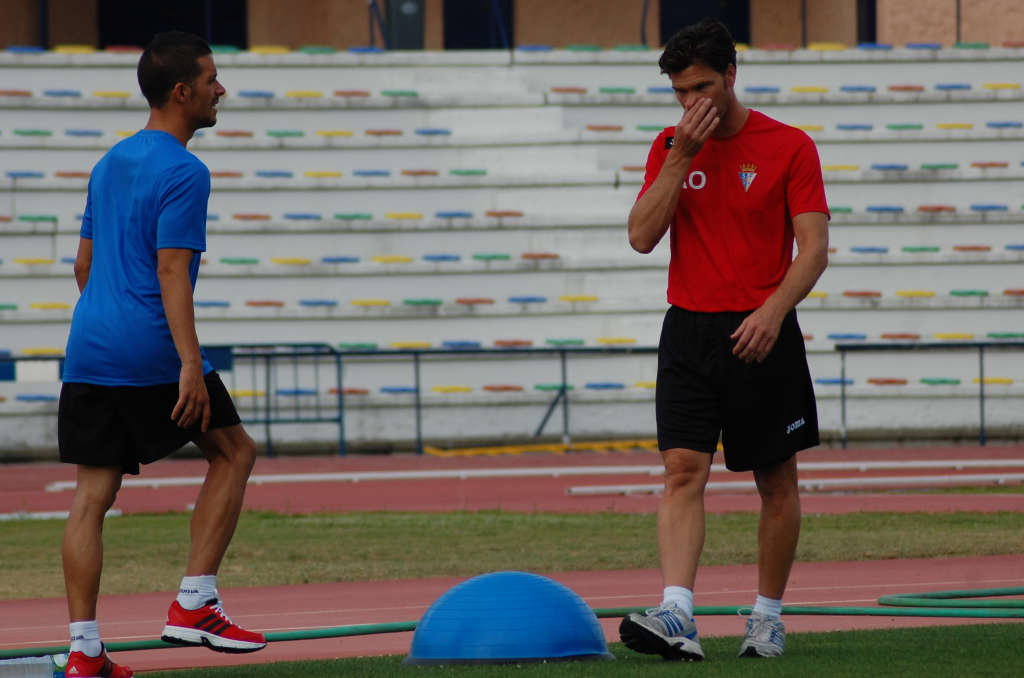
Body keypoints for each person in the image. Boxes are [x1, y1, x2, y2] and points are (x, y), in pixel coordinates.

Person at [617, 18, 829, 661]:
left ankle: (767, 619)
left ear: (731, 75)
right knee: (682, 471)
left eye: (702, 87)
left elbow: (814, 249)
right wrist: (681, 156)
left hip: (763, 329)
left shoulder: (789, 145)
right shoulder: (669, 146)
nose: (691, 103)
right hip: (689, 328)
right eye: (680, 91)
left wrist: (773, 311)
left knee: (776, 480)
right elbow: (641, 236)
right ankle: (677, 613)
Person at [58, 31, 265, 677]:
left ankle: (84, 650)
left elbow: (83, 266)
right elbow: (171, 270)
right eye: (210, 80)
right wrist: (188, 365)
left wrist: (110, 321)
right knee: (234, 452)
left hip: (88, 345)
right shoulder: (185, 170)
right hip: (148, 346)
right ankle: (195, 602)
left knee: (92, 496)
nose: (220, 89)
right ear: (181, 92)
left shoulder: (109, 162)